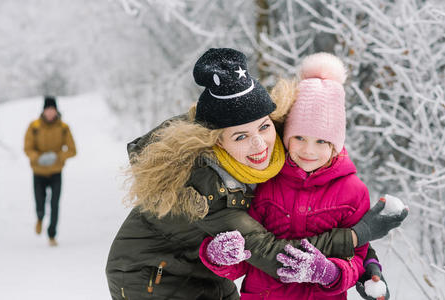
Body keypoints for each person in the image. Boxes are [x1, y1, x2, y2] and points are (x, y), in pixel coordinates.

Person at [105, 48, 406, 300]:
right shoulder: (207, 185)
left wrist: (367, 262)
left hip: (202, 269)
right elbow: (271, 253)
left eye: (264, 127)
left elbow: (314, 218)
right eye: (240, 137)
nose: (259, 144)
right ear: (216, 141)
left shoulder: (285, 145)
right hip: (149, 274)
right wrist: (359, 234)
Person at [199, 53, 408, 299]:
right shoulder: (267, 180)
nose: (309, 150)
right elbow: (247, 255)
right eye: (299, 138)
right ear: (286, 137)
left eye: (321, 141)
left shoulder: (353, 191)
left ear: (336, 145)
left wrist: (330, 273)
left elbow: (357, 258)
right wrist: (218, 256)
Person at [24, 96, 76, 246]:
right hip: (38, 172)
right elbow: (27, 148)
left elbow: (72, 150)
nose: (50, 113)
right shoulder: (34, 126)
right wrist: (38, 158)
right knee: (40, 201)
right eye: (48, 110)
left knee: (54, 203)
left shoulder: (64, 128)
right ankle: (40, 218)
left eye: (52, 110)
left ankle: (52, 234)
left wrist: (57, 157)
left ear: (56, 110)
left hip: (55, 172)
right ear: (44, 110)